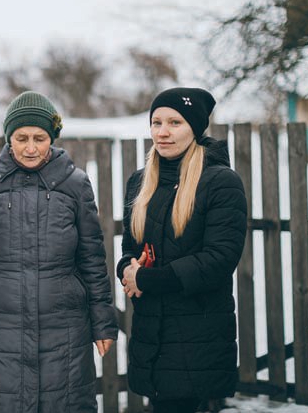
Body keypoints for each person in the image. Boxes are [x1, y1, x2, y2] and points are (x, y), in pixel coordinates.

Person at [0, 91, 118, 412]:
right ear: (8, 139)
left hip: (64, 327)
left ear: (51, 139)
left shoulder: (75, 185)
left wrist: (103, 323)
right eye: (21, 138)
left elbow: (92, 260)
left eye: (39, 138)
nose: (30, 148)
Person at [117, 87, 247, 413]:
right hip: (150, 329)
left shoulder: (220, 182)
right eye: (157, 122)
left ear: (195, 128)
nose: (162, 132)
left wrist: (146, 279)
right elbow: (129, 245)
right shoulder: (140, 181)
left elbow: (219, 259)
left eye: (175, 122)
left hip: (197, 332)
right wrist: (127, 269)